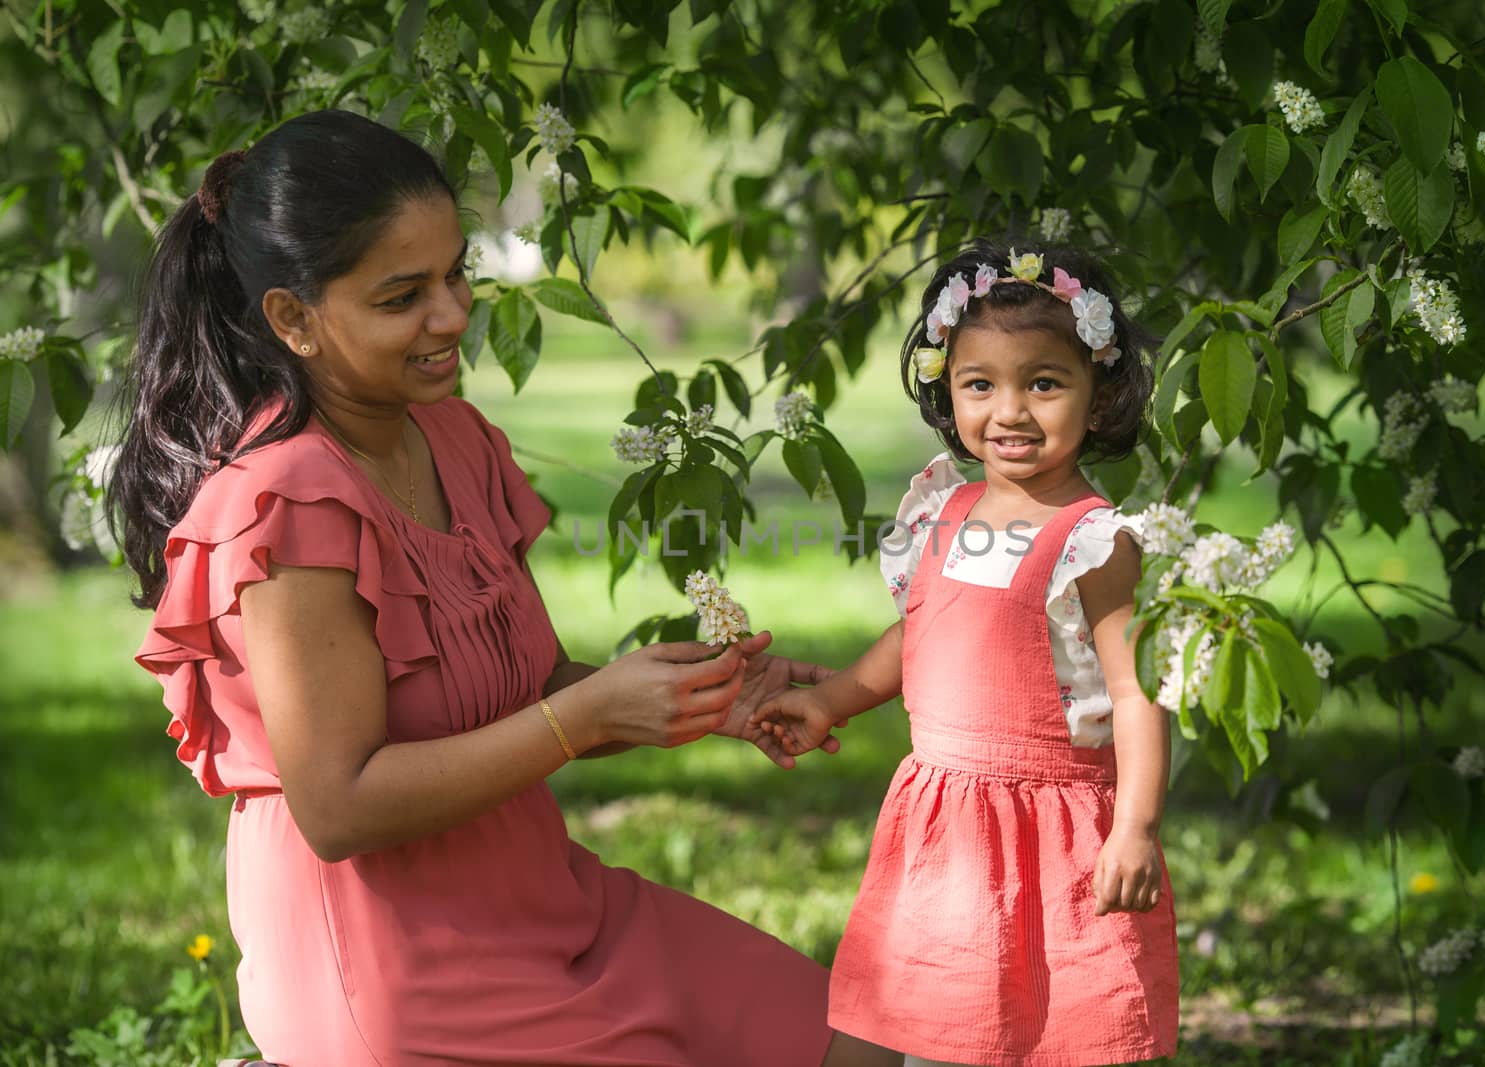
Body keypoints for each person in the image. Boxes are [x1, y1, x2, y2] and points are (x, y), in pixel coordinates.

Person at [107, 109, 898, 1067]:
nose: (452, 316)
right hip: (393, 958)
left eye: (456, 275)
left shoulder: (453, 437)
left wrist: (689, 700)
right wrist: (585, 718)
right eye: (404, 296)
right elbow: (339, 804)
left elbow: (530, 681)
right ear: (293, 319)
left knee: (860, 1044)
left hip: (545, 897)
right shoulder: (286, 501)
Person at [754, 240, 1178, 1066]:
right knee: (888, 1012)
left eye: (1044, 383)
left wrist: (1136, 824)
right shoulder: (944, 511)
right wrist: (832, 697)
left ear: (1099, 396)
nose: (1010, 411)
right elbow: (922, 631)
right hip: (940, 820)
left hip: (1050, 830)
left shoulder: (1092, 541)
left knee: (1027, 1031)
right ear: (949, 390)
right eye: (981, 384)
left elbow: (1135, 693)